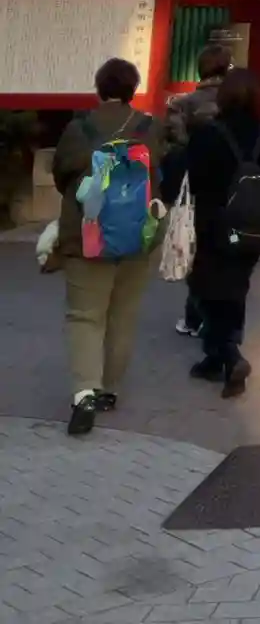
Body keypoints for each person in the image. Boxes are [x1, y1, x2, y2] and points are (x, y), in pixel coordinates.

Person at [168, 67, 260, 396]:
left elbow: (188, 178)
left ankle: (228, 354)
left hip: (214, 227)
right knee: (235, 287)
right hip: (252, 228)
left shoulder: (209, 134)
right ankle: (216, 357)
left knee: (205, 289)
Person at [52, 58, 166, 436]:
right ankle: (110, 390)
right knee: (123, 314)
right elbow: (161, 174)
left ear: (99, 88)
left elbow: (62, 175)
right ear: (133, 89)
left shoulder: (79, 128)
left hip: (87, 235)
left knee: (85, 316)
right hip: (137, 235)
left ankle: (84, 393)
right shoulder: (149, 127)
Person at [163, 40, 232, 337]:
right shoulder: (236, 105)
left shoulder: (183, 104)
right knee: (225, 256)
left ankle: (194, 317)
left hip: (195, 187)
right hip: (230, 188)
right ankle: (218, 319)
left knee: (197, 251)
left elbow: (175, 145)